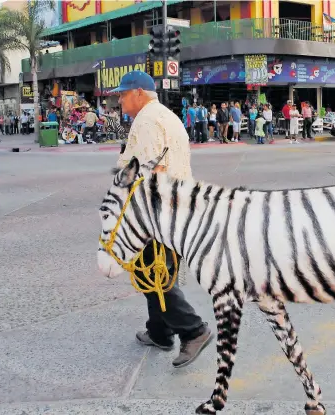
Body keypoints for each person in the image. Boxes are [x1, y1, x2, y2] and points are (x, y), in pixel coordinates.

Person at [110, 70, 213, 368]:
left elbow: (152, 170)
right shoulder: (164, 115)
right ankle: (160, 332)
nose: (119, 99)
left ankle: (194, 330)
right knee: (155, 274)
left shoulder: (145, 121)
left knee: (155, 277)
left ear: (138, 93)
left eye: (123, 93)